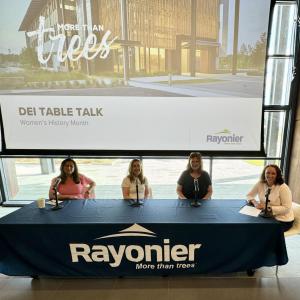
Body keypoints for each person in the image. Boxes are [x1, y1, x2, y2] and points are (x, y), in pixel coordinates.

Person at [247, 164, 294, 232]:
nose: (270, 175)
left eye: (273, 173)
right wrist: (255, 203)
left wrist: (267, 208)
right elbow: (249, 195)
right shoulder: (260, 183)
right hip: (266, 216)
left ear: (277, 175)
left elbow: (287, 208)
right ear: (264, 174)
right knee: (250, 224)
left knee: (261, 231)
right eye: (268, 173)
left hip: (283, 220)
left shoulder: (283, 188)